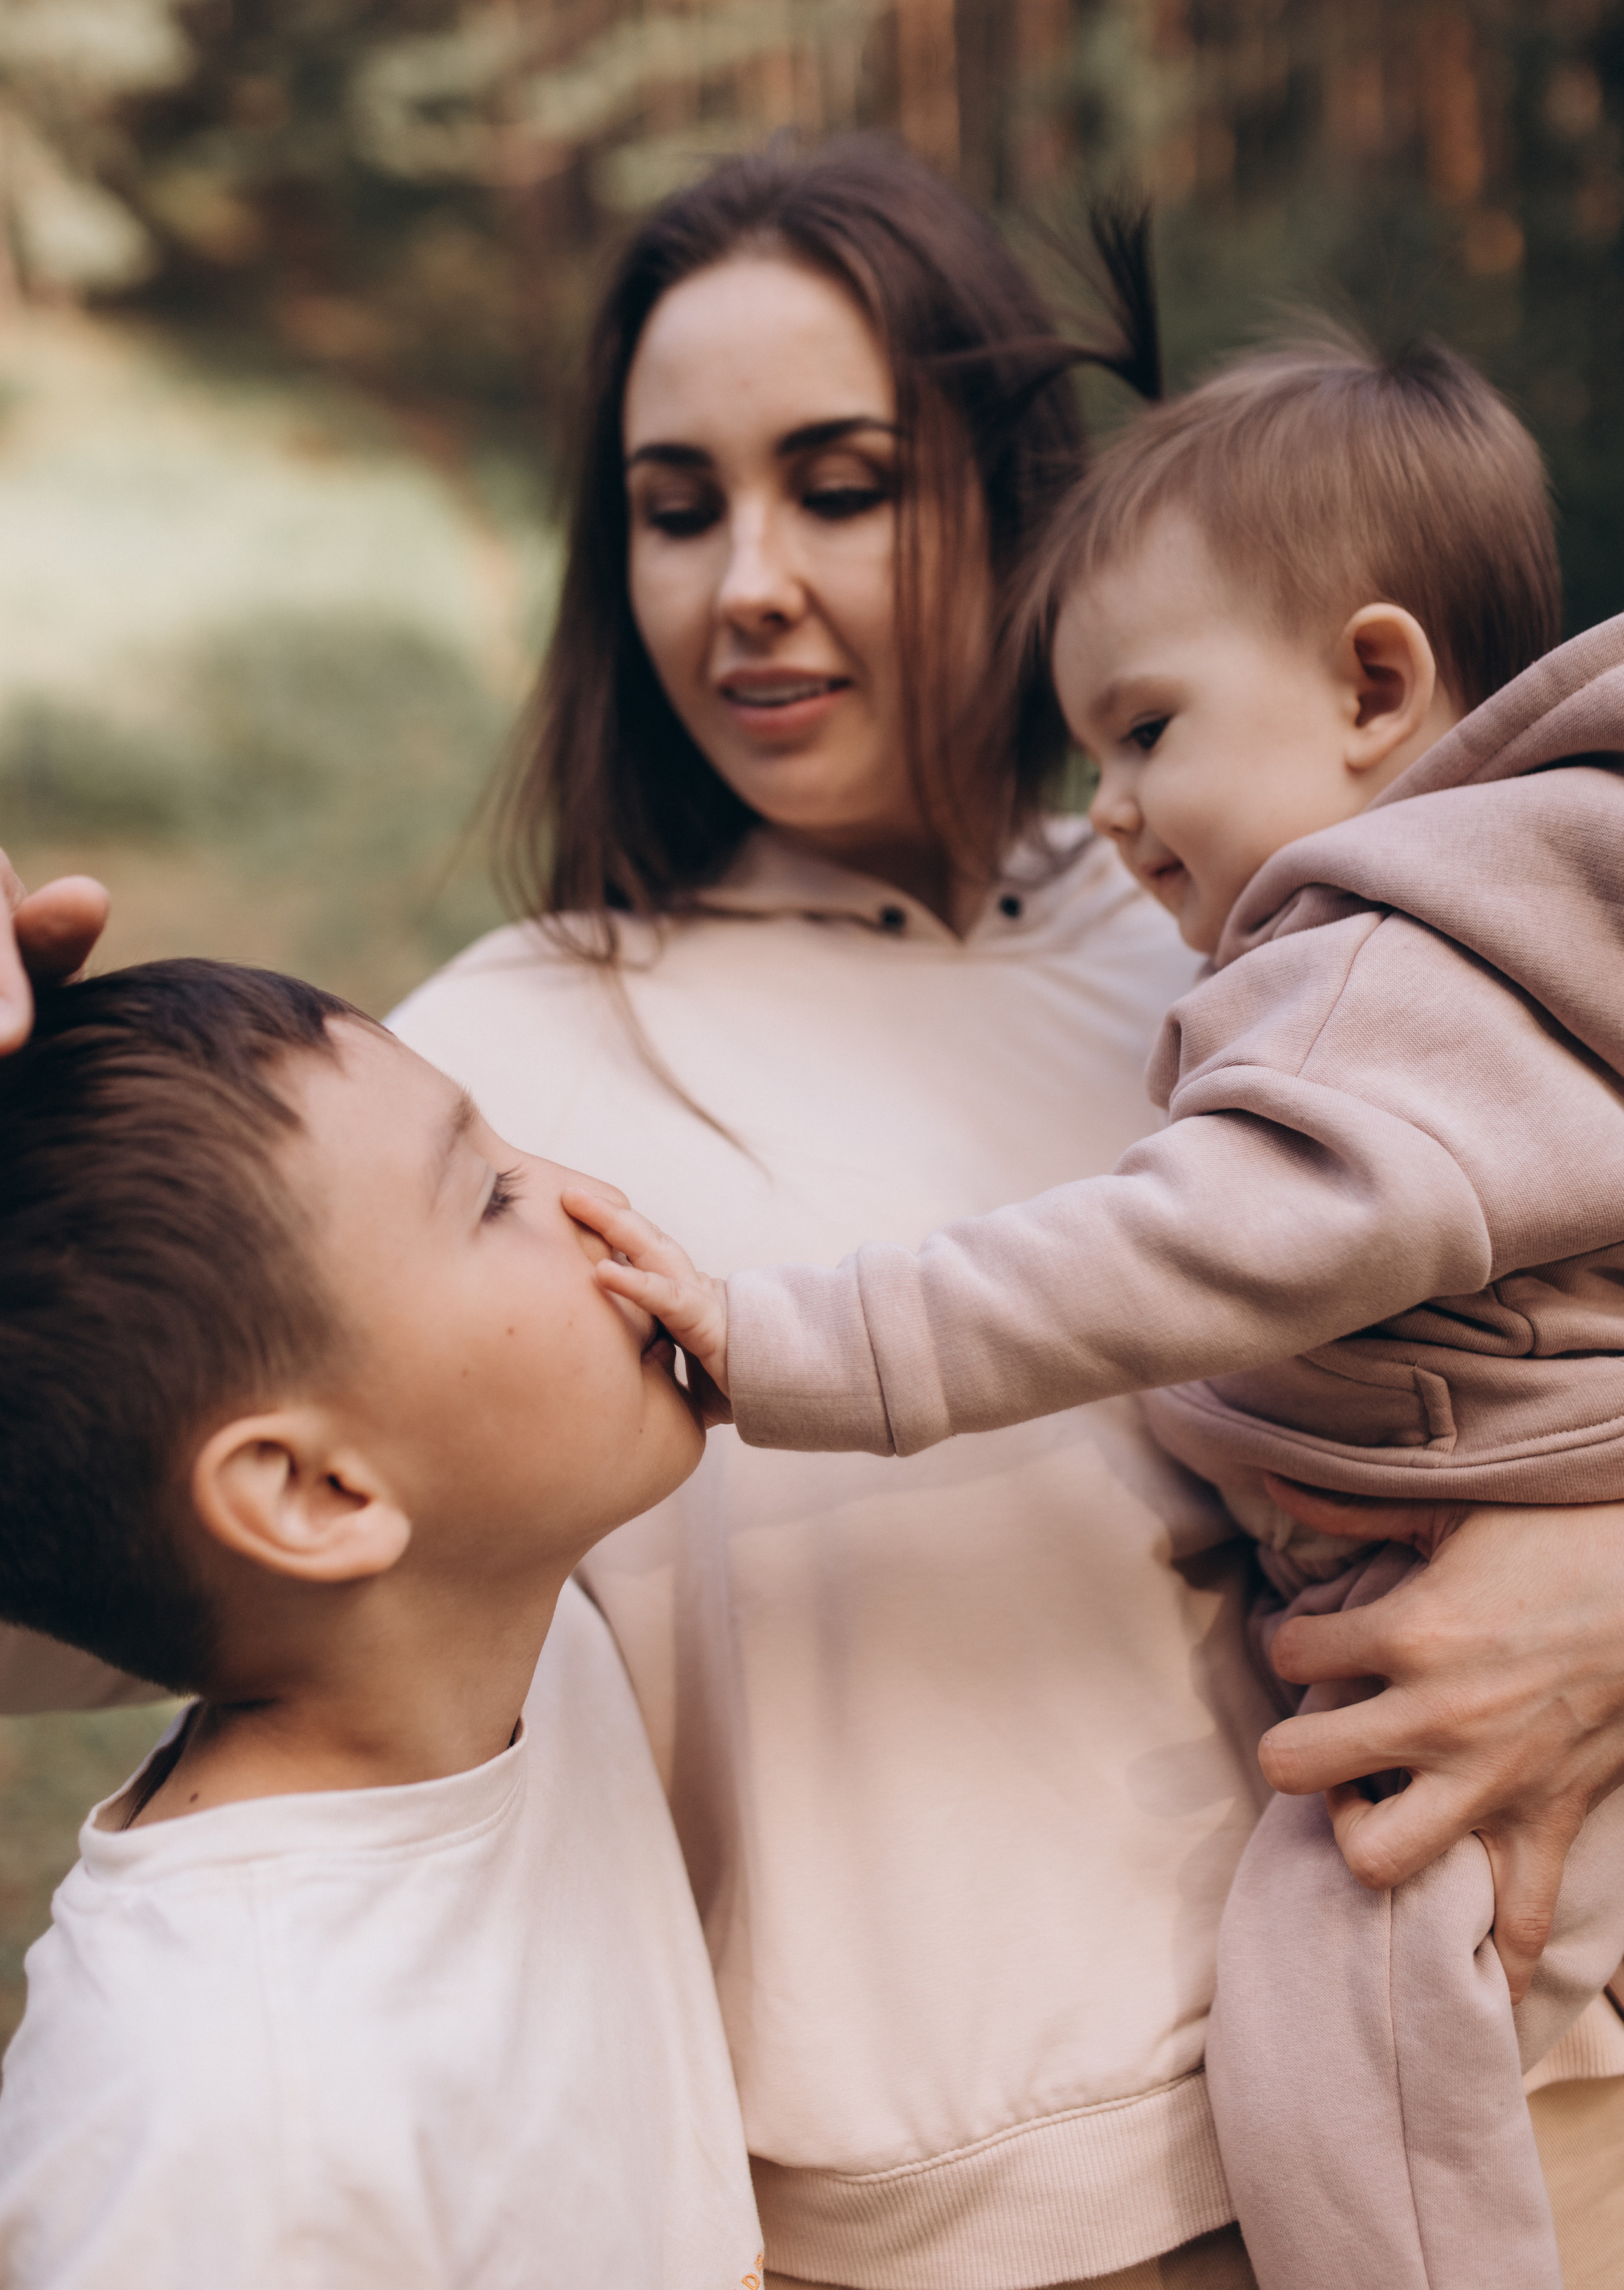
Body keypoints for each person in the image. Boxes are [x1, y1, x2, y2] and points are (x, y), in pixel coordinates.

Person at [4, 140, 1624, 2287]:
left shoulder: (1258, 936)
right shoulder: (501, 1074)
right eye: (678, 509)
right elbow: (114, 1564)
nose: (746, 577)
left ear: (1020, 500)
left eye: (839, 482)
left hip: (1506, 2103)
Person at [583, 331, 1624, 2290]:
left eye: (1147, 733)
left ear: (1374, 684)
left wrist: (797, 1338)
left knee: (1343, 2026)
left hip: (1427, 1757)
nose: (1120, 815)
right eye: (670, 503)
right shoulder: (1535, 908)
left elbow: (1165, 1252)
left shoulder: (1351, 980)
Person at [0, 959, 763, 2290]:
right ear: (316, 1491)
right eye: (490, 1195)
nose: (588, 1194)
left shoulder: (515, 1646)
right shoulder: (228, 2126)